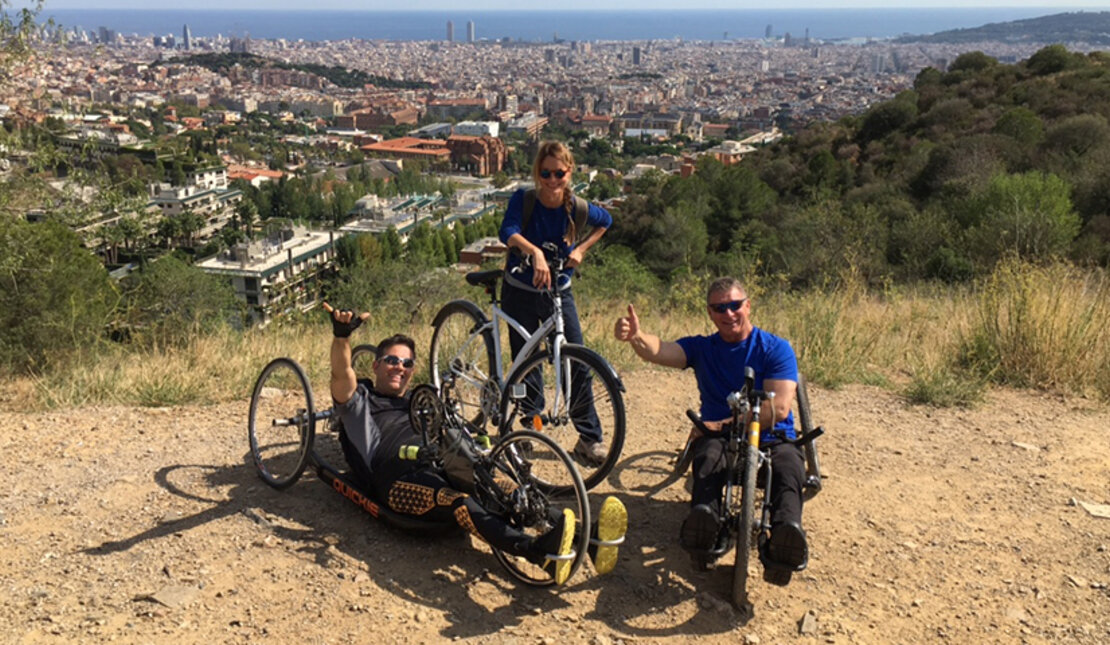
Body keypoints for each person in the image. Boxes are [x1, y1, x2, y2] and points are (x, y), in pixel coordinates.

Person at [323, 302, 627, 584]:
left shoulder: (421, 402)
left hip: (439, 460)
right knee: (458, 501)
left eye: (406, 363)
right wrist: (342, 337)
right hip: (396, 478)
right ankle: (536, 551)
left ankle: (592, 539)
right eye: (391, 361)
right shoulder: (361, 401)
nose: (398, 367)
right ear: (375, 366)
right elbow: (341, 373)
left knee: (500, 482)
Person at [612, 278, 809, 571]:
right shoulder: (703, 348)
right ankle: (704, 523)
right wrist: (637, 337)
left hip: (771, 436)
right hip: (719, 438)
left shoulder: (775, 348)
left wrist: (723, 424)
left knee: (789, 468)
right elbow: (660, 350)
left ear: (748, 306)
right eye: (720, 308)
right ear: (710, 313)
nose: (728, 314)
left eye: (734, 305)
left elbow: (778, 408)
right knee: (707, 460)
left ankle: (785, 536)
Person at [499, 140, 613, 466]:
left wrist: (582, 249)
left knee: (576, 358)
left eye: (558, 173)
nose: (552, 180)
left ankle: (589, 437)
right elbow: (506, 231)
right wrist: (533, 251)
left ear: (569, 171)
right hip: (520, 289)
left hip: (558, 291)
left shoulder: (576, 207)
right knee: (526, 362)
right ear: (538, 172)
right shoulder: (525, 199)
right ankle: (529, 428)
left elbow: (606, 221)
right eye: (545, 173)